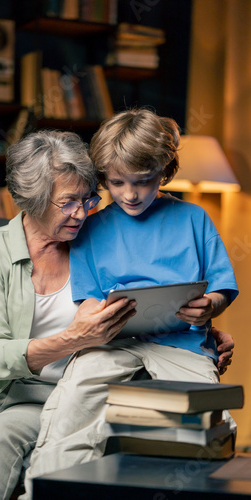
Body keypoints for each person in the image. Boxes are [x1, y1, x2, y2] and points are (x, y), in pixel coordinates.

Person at [21, 108, 238, 497]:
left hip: (182, 343)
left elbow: (221, 288)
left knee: (209, 423)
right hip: (113, 342)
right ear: (103, 178)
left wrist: (211, 305)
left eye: (143, 181)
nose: (130, 194)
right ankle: (44, 491)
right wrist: (96, 314)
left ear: (165, 172)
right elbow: (86, 300)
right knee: (72, 407)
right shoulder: (92, 227)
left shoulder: (193, 218)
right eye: (117, 183)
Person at [0, 130, 138, 500]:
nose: (82, 213)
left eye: (88, 200)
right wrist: (74, 337)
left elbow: (145, 308)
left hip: (48, 396)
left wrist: (202, 334)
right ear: (33, 199)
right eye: (69, 202)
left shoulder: (99, 248)